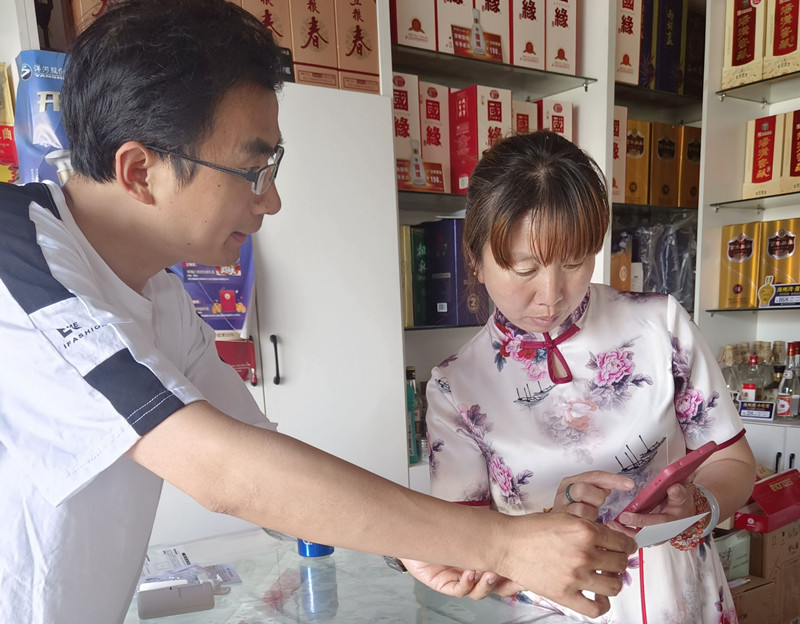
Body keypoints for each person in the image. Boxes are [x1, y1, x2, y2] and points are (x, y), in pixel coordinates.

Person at [0, 2, 638, 623]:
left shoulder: (159, 295)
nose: (271, 200)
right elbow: (222, 471)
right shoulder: (20, 271)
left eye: (271, 166)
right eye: (251, 169)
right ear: (141, 171)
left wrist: (422, 545)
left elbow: (265, 468)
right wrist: (502, 545)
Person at [417, 131, 756, 622]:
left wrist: (699, 504)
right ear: (476, 258)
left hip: (678, 598)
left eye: (574, 262)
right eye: (525, 269)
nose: (551, 294)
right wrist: (546, 529)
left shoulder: (659, 326)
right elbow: (461, 550)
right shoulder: (457, 387)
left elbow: (732, 461)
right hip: (549, 611)